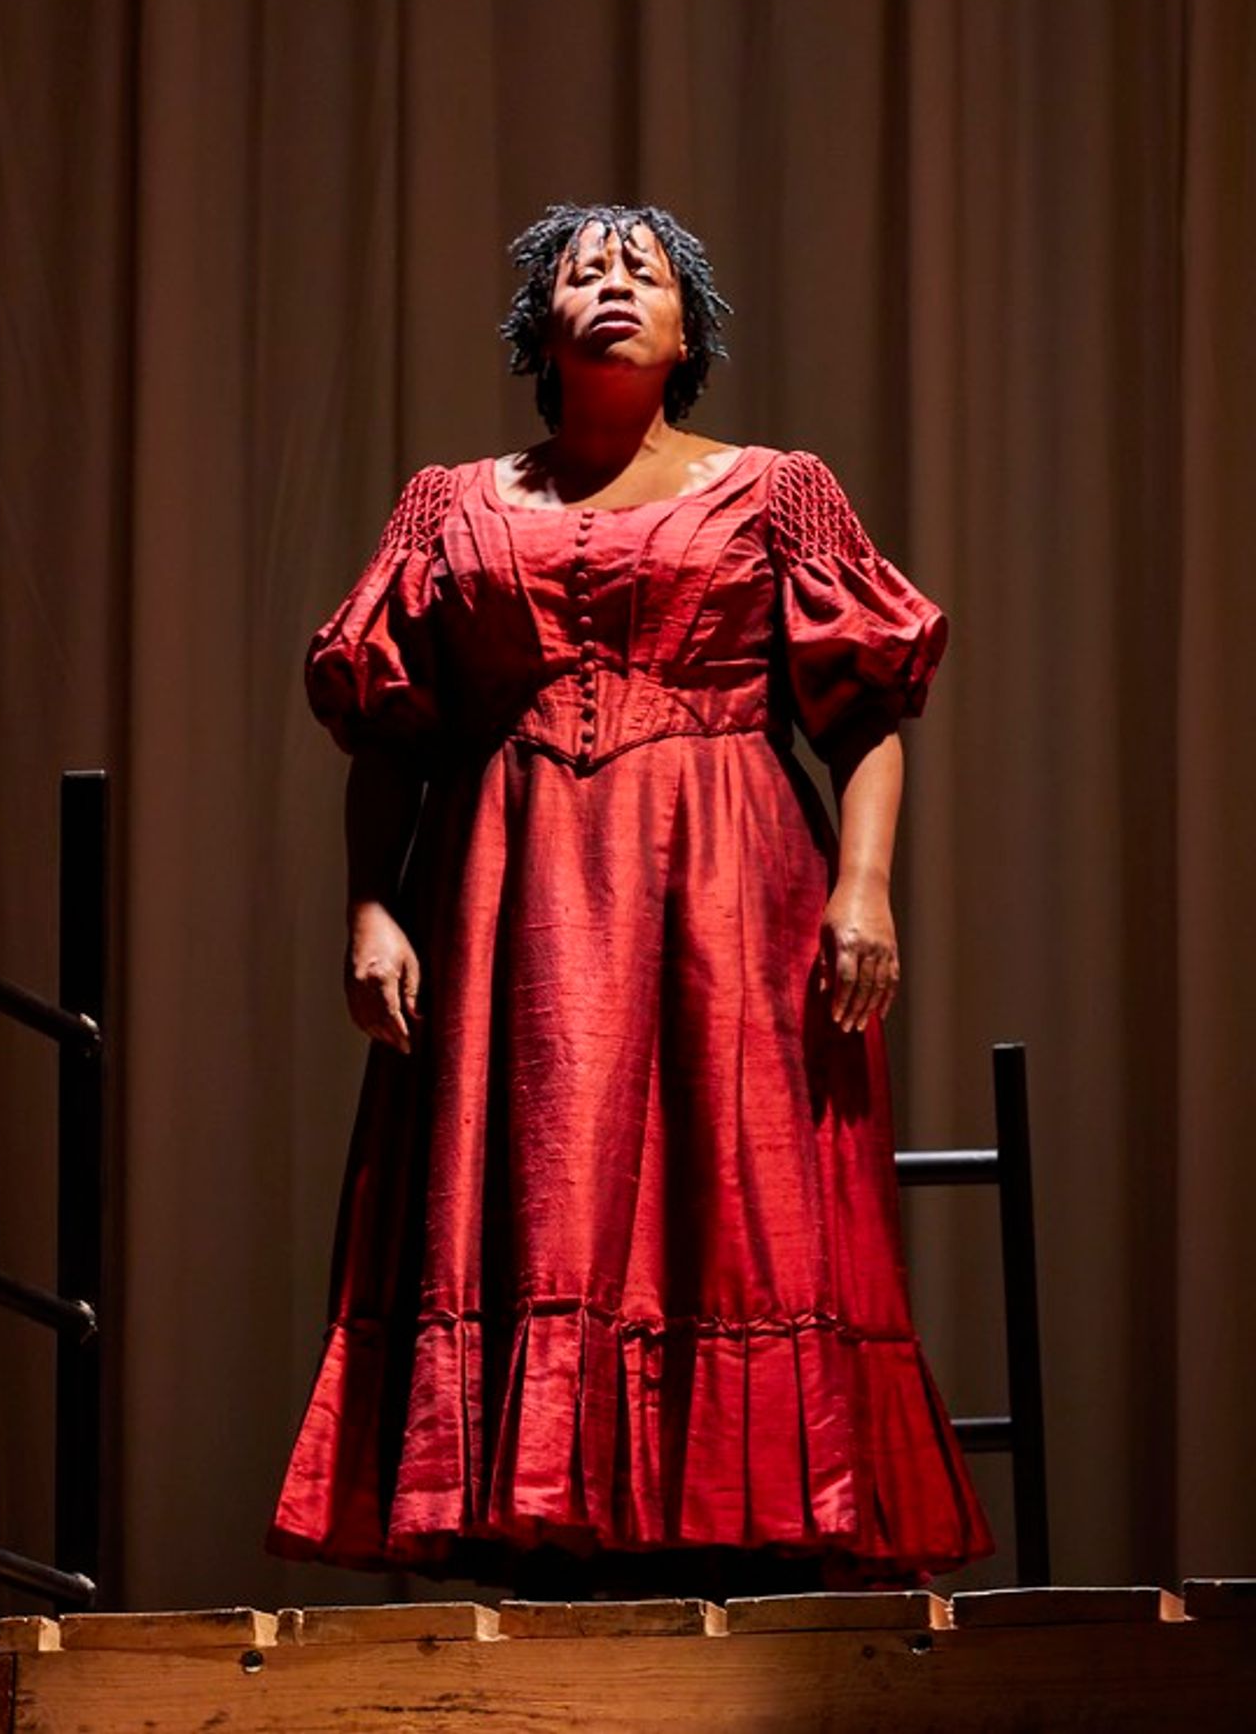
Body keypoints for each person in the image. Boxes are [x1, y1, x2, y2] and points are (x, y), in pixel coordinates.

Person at [268, 202, 994, 1602]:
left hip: (727, 890)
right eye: (579, 271)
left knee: (729, 1186)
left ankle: (745, 1528)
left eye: (642, 273)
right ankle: (532, 1523)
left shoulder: (778, 488)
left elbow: (866, 716)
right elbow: (391, 735)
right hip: (509, 904)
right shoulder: (452, 504)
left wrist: (865, 889)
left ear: (688, 334)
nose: (610, 286)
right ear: (536, 325)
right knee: (533, 1183)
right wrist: (370, 908)